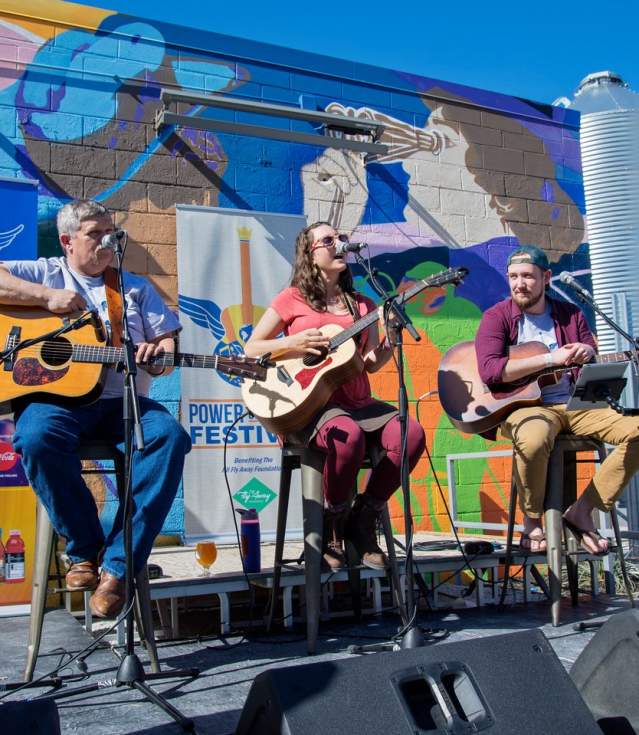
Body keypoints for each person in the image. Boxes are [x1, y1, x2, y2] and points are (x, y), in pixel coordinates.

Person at [0, 199, 191, 617]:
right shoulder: (45, 272)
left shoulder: (134, 287)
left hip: (123, 403)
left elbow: (168, 344)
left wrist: (160, 351)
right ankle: (84, 549)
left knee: (170, 438)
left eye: (110, 232)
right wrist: (46, 297)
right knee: (34, 437)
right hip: (57, 404)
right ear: (67, 241)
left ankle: (118, 568)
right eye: (94, 233)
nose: (107, 240)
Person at [244, 221, 425, 570]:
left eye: (342, 238)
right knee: (348, 436)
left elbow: (371, 364)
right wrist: (292, 342)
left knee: (411, 434)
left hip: (359, 402)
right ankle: (331, 526)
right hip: (313, 406)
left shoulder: (362, 305)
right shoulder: (291, 299)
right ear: (310, 255)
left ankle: (362, 519)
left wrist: (388, 336)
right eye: (329, 239)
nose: (339, 243)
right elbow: (252, 348)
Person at [475, 245, 639, 554]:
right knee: (534, 439)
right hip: (525, 407)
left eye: (527, 276)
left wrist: (589, 353)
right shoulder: (497, 317)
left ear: (546, 277)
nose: (518, 284)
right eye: (513, 277)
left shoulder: (570, 314)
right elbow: (490, 371)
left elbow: (590, 350)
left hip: (575, 405)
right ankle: (532, 520)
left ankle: (582, 510)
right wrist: (550, 358)